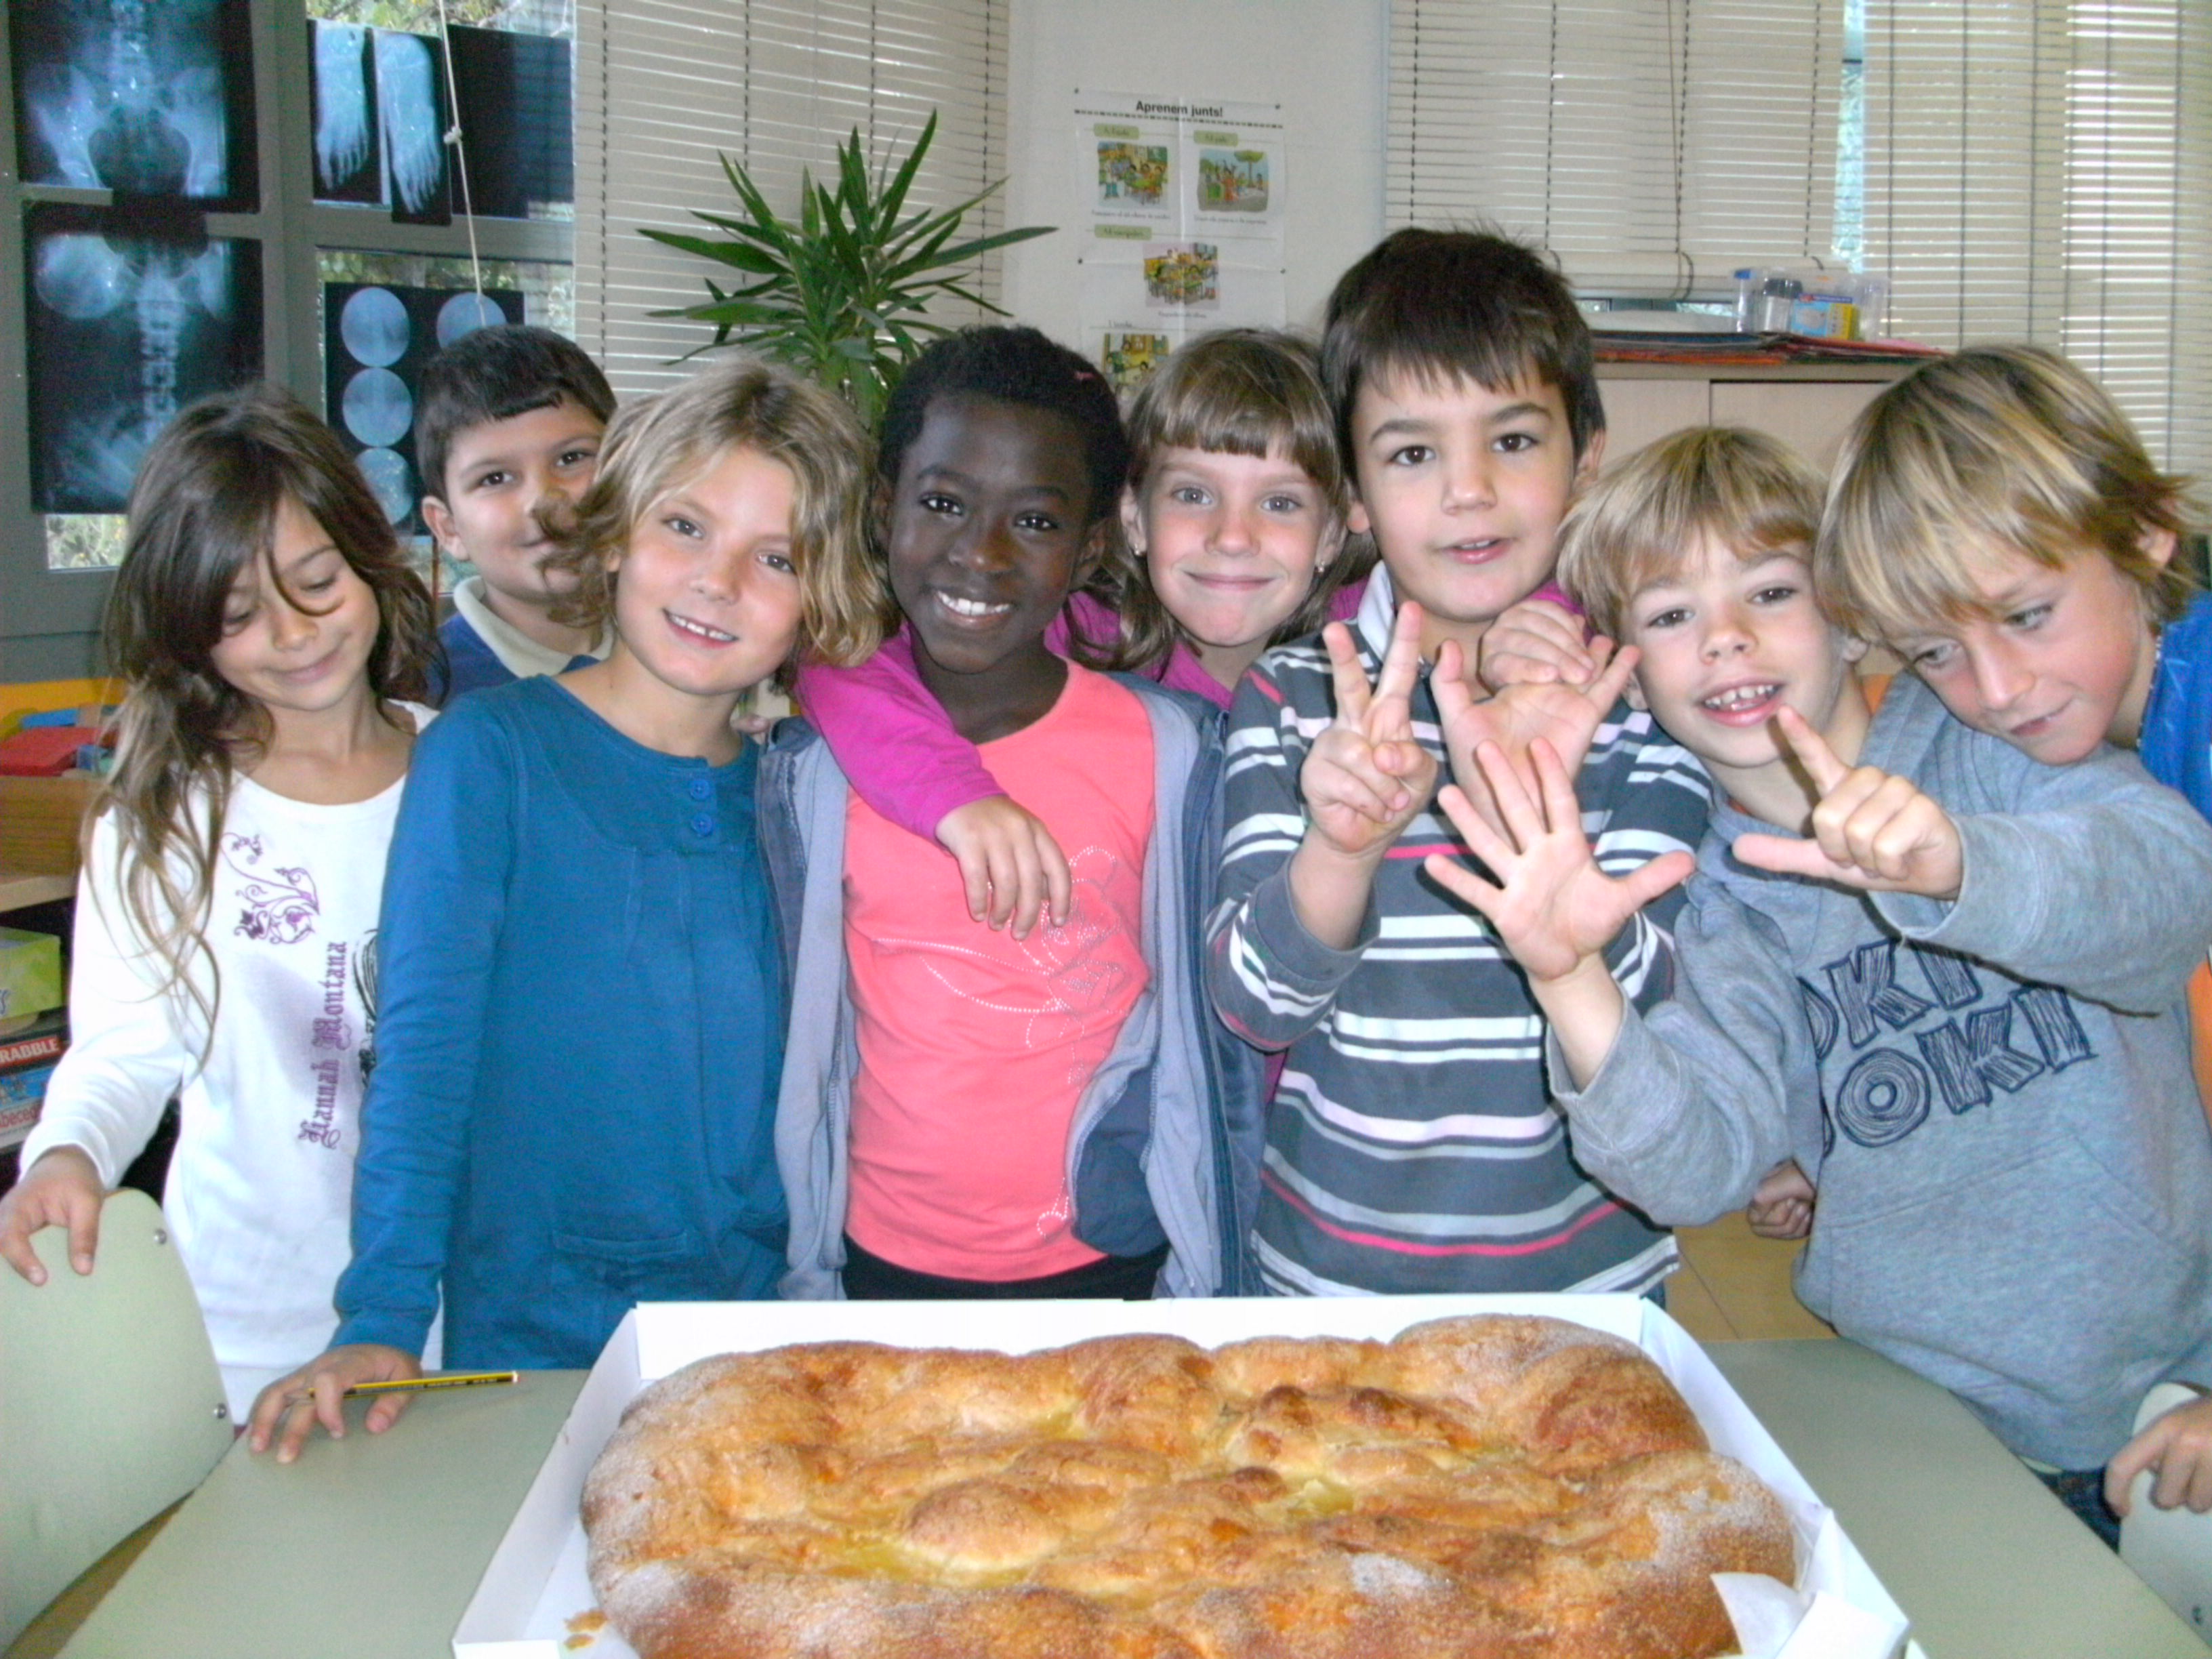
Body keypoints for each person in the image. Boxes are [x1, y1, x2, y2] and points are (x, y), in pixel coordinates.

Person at [1426, 423, 2212, 1549]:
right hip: (1912, 1423)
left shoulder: (1988, 742)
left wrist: (1956, 863)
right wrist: (1568, 978)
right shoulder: (1717, 896)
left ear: (1845, 613)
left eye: (1768, 591)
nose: (1726, 638)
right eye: (1670, 616)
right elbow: (1693, 1168)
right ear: (1625, 669)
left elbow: (2168, 895)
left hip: (2167, 1399)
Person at [248, 353, 882, 1460]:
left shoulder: (805, 788)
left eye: (775, 557)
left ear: (817, 596)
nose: (718, 581)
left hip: (753, 1346)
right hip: (533, 1341)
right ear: (616, 529)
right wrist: (382, 1315)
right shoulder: (491, 755)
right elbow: (425, 1055)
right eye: (684, 527)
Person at [1206, 228, 1713, 1299]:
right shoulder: (1296, 700)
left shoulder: (1642, 705)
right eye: (1412, 454)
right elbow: (1255, 1006)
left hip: (1590, 1289)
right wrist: (1342, 850)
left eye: (1514, 440)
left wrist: (1531, 799)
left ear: (1586, 459)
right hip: (1331, 1285)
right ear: (1353, 495)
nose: (1470, 490)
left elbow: (1665, 1021)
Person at [764, 325, 1262, 1302]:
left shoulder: (1174, 752)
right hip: (881, 1261)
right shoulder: (815, 771)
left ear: (1090, 546)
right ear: (884, 509)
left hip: (1111, 1255)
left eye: (1034, 521)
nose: (981, 553)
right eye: (943, 504)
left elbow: (1209, 1033)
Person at [0, 385, 438, 1420]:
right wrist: (66, 1153)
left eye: (317, 583)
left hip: (449, 1312)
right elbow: (124, 1053)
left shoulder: (467, 772)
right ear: (189, 630)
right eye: (239, 616)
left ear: (370, 557)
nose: (293, 634)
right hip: (241, 1332)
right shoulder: (162, 818)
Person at [794, 328, 1368, 939]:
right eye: (1193, 494)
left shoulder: (1377, 656)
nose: (1232, 537)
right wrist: (954, 796)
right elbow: (840, 666)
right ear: (1133, 518)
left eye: (1280, 504)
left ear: (1335, 531)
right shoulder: (1084, 636)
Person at [413, 323, 618, 703]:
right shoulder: (424, 697)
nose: (542, 499)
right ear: (449, 528)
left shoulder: (678, 643)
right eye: (495, 478)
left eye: (572, 458)